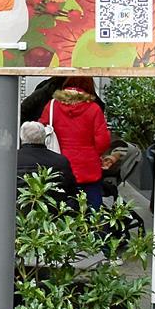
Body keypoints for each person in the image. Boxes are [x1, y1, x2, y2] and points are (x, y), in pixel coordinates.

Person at [38, 76, 110, 209]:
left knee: (59, 211)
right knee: (91, 213)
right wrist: (93, 154)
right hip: (88, 170)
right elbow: (103, 141)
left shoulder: (52, 106)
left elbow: (41, 132)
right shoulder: (93, 109)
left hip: (58, 166)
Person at [17, 121, 78, 204]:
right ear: (45, 136)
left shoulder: (10, 160)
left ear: (21, 137)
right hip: (53, 211)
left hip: (18, 210)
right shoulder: (60, 161)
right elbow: (71, 191)